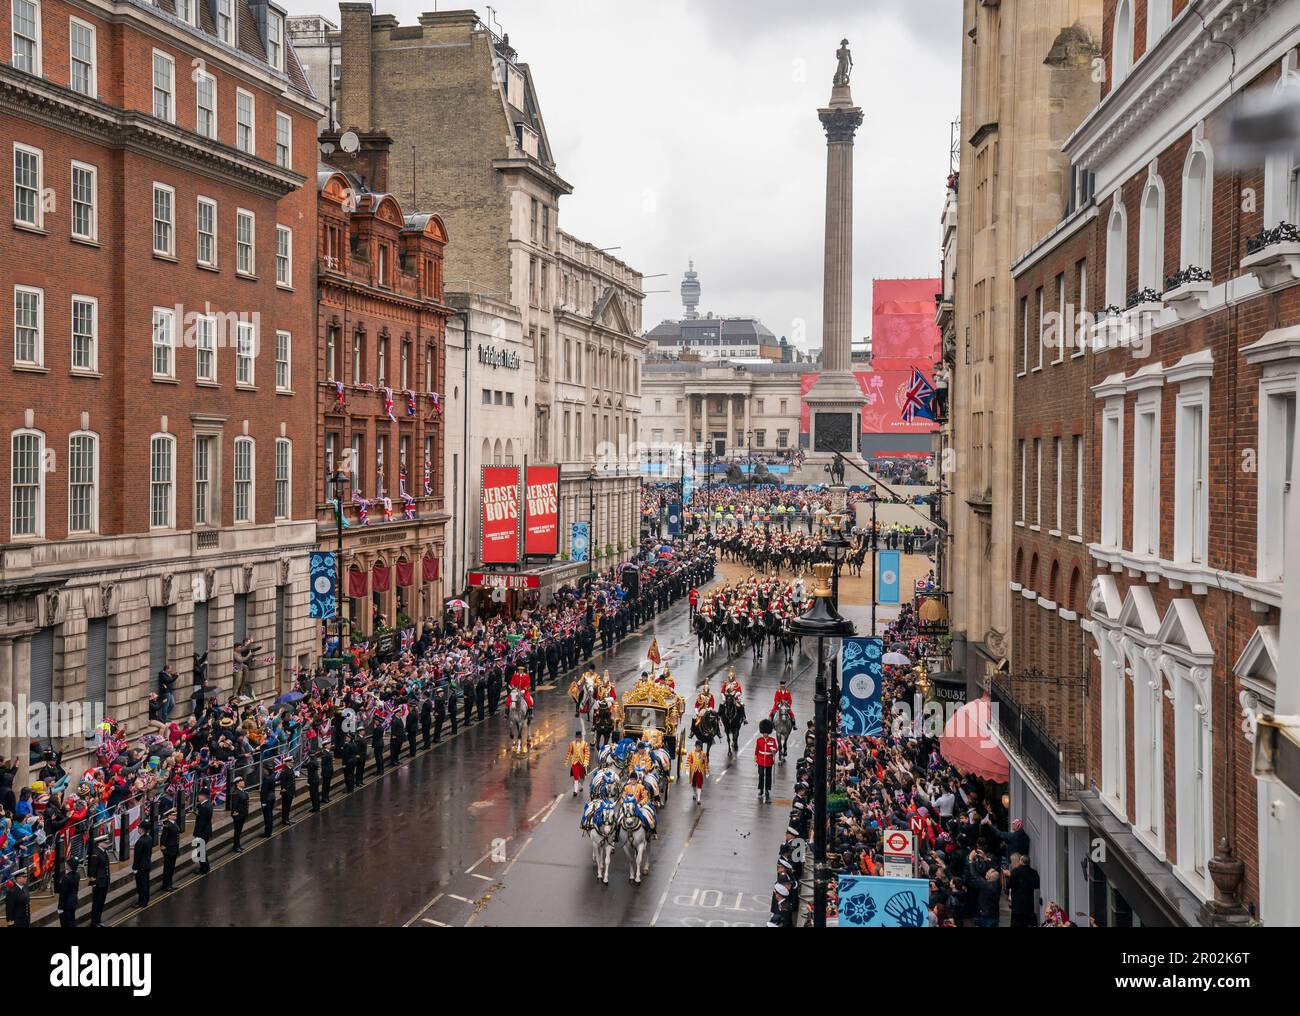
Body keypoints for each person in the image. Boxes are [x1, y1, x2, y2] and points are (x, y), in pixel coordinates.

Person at [1007, 853, 1041, 927]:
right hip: (1029, 904)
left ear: (1021, 861)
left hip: (1017, 904)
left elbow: (1009, 885)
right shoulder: (1033, 872)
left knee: (1016, 923)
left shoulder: (1015, 871)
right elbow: (1037, 885)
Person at [87, 834, 111, 927]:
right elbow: (92, 870)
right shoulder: (95, 853)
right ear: (100, 843)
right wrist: (93, 883)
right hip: (98, 882)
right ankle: (94, 921)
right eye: (105, 842)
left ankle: (98, 919)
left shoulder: (104, 851)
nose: (107, 844)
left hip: (104, 881)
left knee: (101, 903)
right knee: (97, 903)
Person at [132, 822, 155, 908]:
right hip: (147, 864)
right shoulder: (149, 838)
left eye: (139, 828)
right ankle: (145, 900)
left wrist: (134, 867)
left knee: (141, 885)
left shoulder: (140, 841)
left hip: (141, 866)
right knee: (145, 884)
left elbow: (137, 856)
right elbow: (149, 853)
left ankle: (142, 902)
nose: (138, 829)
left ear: (142, 829)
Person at [755, 719, 777, 802]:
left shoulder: (772, 740)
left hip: (768, 760)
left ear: (768, 732)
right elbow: (757, 750)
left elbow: (776, 748)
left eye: (766, 733)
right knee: (761, 775)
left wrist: (774, 750)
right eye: (764, 733)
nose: (765, 734)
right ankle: (761, 789)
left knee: (768, 776)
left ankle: (767, 789)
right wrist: (756, 757)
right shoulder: (759, 740)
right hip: (760, 760)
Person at [160, 807, 182, 887]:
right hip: (169, 851)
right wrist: (164, 851)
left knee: (171, 869)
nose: (175, 816)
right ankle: (166, 885)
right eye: (173, 815)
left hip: (174, 850)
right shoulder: (167, 826)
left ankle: (170, 884)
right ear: (168, 816)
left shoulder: (173, 823)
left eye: (175, 814)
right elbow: (163, 840)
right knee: (167, 869)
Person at [564, 731, 590, 797]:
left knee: (581, 776)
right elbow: (568, 752)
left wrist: (586, 762)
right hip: (574, 763)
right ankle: (575, 791)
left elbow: (587, 753)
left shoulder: (585, 744)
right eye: (577, 737)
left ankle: (581, 786)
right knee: (576, 777)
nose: (578, 738)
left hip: (582, 763)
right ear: (575, 737)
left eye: (579, 737)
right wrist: (566, 761)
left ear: (581, 737)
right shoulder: (572, 744)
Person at [57, 858, 80, 928]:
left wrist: (60, 907)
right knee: (72, 921)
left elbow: (63, 894)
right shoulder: (77, 875)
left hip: (66, 905)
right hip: (73, 902)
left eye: (67, 863)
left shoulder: (66, 878)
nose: (65, 864)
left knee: (66, 923)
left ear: (70, 866)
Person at [684, 740, 709, 805]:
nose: (698, 748)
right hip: (693, 771)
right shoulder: (691, 754)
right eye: (697, 746)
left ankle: (698, 799)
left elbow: (705, 763)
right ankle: (695, 794)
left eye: (699, 746)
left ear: (701, 747)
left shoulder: (703, 754)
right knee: (694, 784)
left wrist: (707, 772)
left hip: (700, 771)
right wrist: (687, 769)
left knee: (699, 784)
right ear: (695, 746)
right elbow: (688, 762)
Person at [230, 776, 249, 852]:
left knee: (239, 831)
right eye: (241, 781)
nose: (243, 782)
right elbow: (234, 806)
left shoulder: (243, 791)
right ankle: (236, 846)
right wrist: (235, 814)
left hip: (243, 814)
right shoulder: (236, 793)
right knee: (237, 832)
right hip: (238, 815)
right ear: (237, 784)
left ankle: (238, 845)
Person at [279, 759, 297, 826]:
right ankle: (284, 820)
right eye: (291, 762)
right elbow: (282, 781)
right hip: (286, 791)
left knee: (288, 806)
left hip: (291, 790)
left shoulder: (290, 769)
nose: (292, 763)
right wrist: (283, 788)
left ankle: (287, 818)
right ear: (287, 763)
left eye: (292, 762)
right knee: (285, 806)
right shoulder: (284, 770)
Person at [260, 767, 276, 837]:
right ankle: (269, 831)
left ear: (267, 770)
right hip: (272, 797)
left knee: (267, 816)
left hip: (267, 799)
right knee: (270, 815)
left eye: (264, 769)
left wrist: (263, 802)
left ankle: (267, 832)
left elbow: (264, 791)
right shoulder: (273, 777)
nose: (264, 771)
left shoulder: (266, 779)